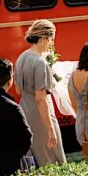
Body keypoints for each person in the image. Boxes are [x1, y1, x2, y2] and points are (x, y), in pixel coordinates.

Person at [15, 19, 66, 166]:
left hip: (24, 111)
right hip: (41, 115)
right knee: (52, 160)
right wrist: (50, 129)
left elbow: (19, 90)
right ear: (43, 39)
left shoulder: (21, 57)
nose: (52, 44)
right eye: (51, 39)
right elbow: (40, 99)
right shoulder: (40, 63)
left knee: (33, 162)